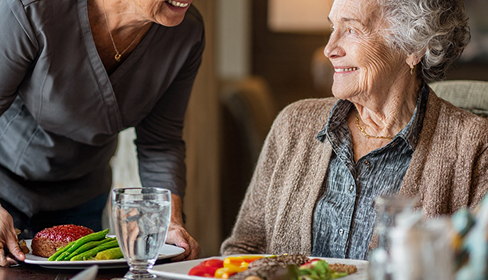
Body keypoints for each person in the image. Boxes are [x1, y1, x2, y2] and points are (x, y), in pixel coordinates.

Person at [221, 0, 488, 260]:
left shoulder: (473, 145)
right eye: (332, 28)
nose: (329, 49)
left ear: (414, 46)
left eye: (351, 30)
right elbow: (244, 250)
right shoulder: (293, 124)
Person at [0, 0, 204, 266]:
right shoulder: (31, 9)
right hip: (7, 185)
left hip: (84, 193)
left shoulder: (186, 33)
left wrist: (169, 222)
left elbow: (161, 143)